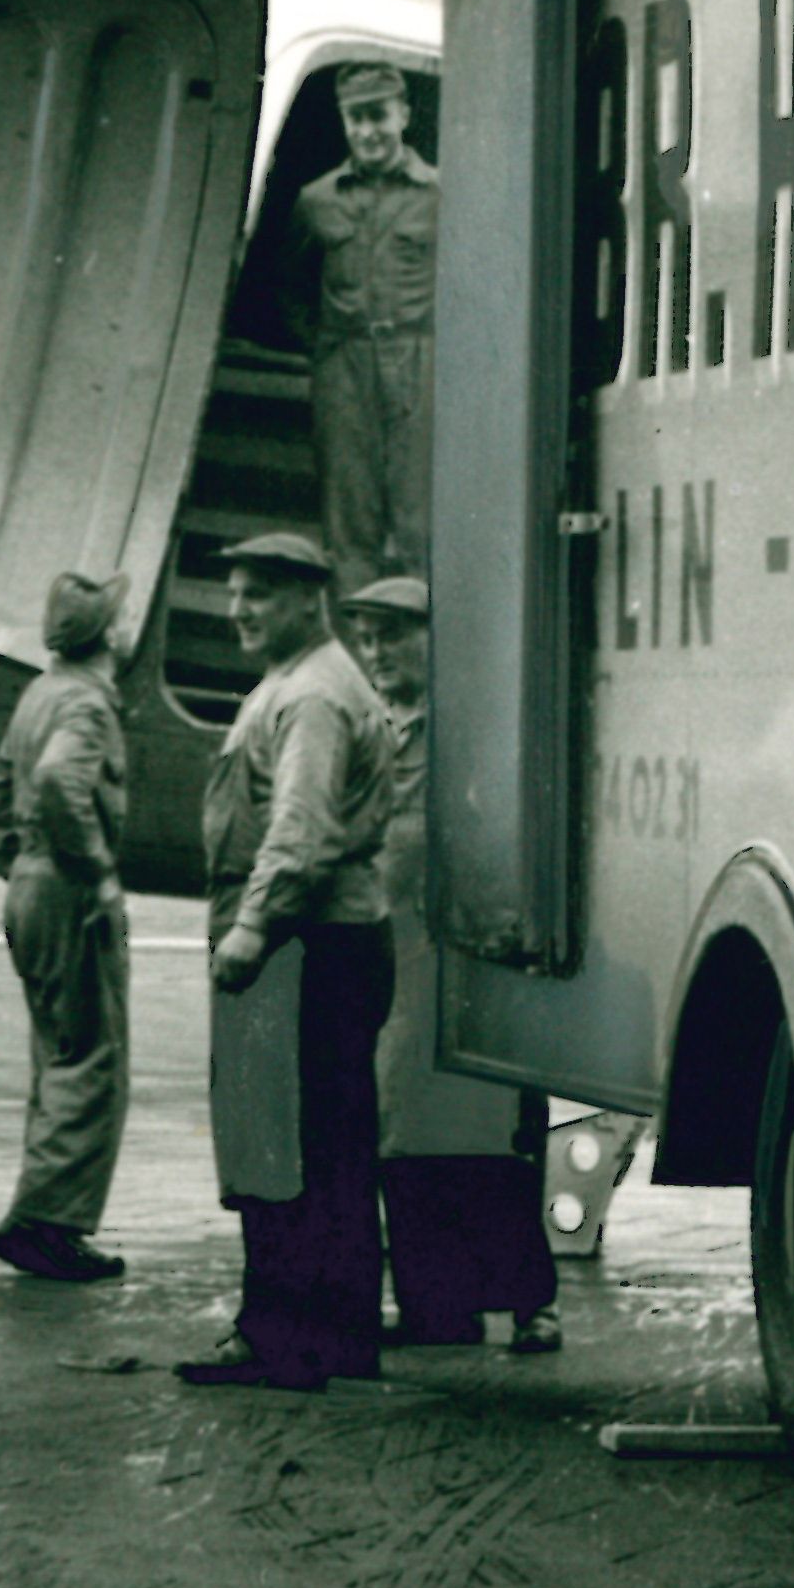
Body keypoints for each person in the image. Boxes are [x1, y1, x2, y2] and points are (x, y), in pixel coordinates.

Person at [181, 531, 397, 1392]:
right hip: (326, 938)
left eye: (258, 595)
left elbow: (300, 833)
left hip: (299, 941)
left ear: (309, 600)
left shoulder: (310, 696)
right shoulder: (305, 682)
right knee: (326, 1147)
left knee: (280, 1149)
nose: (238, 610)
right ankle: (334, 1337)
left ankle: (280, 1337)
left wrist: (250, 930)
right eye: (235, 593)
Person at [343, 574, 559, 1353]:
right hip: (398, 958)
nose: (379, 651)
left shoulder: (472, 724)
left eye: (396, 635)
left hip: (466, 961)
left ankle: (531, 1302)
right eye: (368, 638)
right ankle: (440, 1306)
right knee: (405, 1133)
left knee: (492, 1136)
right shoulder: (376, 723)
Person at [0, 570, 135, 1290]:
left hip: (31, 883)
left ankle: (43, 1214)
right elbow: (55, 781)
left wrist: (19, 862)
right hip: (69, 890)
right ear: (106, 633)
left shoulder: (40, 691)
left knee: (57, 1053)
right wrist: (96, 871)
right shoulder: (86, 704)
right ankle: (47, 1224)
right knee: (90, 1058)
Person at [293, 61, 438, 588]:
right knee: (350, 525)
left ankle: (420, 662)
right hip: (345, 368)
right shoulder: (317, 200)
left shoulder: (441, 195)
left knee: (422, 518)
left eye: (378, 116)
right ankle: (360, 663)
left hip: (420, 363)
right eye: (355, 119)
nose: (367, 131)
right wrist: (325, 346)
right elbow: (289, 286)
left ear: (403, 114)